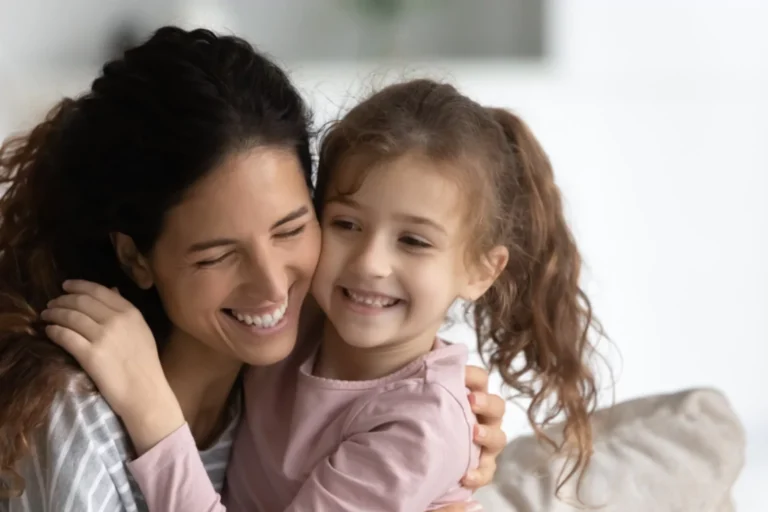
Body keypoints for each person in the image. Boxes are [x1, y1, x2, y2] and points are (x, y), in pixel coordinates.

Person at [0, 27, 506, 512]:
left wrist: (450, 439)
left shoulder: (297, 363)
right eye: (217, 254)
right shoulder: (81, 422)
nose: (271, 288)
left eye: (289, 229)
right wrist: (151, 408)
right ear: (136, 257)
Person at [46, 78, 604, 510]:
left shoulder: (420, 425)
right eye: (345, 224)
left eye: (413, 240)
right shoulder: (297, 316)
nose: (369, 265)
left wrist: (152, 413)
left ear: (483, 271)